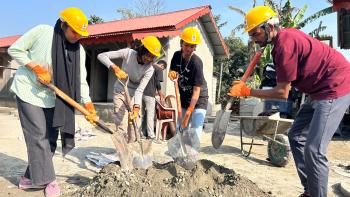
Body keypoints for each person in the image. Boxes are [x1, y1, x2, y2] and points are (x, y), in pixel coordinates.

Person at [229, 6, 350, 197]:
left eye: (255, 33)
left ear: (269, 26)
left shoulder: (285, 45)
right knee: (296, 135)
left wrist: (247, 91)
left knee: (314, 149)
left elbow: (282, 93)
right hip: (316, 90)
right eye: (251, 35)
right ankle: (311, 190)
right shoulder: (280, 43)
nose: (253, 38)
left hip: (334, 86)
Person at [8, 7, 97, 197]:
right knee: (38, 134)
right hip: (28, 91)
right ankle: (50, 180)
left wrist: (88, 105)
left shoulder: (78, 50)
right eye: (74, 31)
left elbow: (81, 80)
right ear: (64, 25)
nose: (77, 36)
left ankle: (28, 177)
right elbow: (14, 49)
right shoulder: (42, 32)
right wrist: (37, 68)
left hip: (52, 97)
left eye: (80, 34)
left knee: (50, 139)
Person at [97, 36, 162, 143]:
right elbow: (101, 56)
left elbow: (140, 90)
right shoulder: (128, 53)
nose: (149, 59)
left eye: (152, 57)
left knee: (135, 124)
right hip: (120, 90)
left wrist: (136, 107)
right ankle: (122, 150)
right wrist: (115, 68)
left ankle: (132, 148)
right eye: (148, 55)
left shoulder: (150, 69)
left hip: (134, 95)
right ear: (142, 50)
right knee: (121, 122)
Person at [168, 26, 208, 145]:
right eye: (186, 45)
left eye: (192, 46)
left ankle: (193, 156)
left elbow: (196, 90)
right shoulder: (176, 56)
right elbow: (172, 72)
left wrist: (190, 111)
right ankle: (181, 152)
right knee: (181, 127)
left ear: (195, 47)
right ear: (181, 43)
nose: (189, 49)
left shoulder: (196, 63)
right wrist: (171, 74)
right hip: (184, 99)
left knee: (195, 129)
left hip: (199, 99)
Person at [141, 60, 167, 141]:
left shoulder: (149, 65)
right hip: (149, 94)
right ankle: (151, 135)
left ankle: (141, 134)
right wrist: (161, 96)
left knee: (141, 115)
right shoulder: (159, 68)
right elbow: (157, 83)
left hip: (140, 93)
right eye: (163, 69)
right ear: (162, 66)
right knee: (150, 115)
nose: (162, 70)